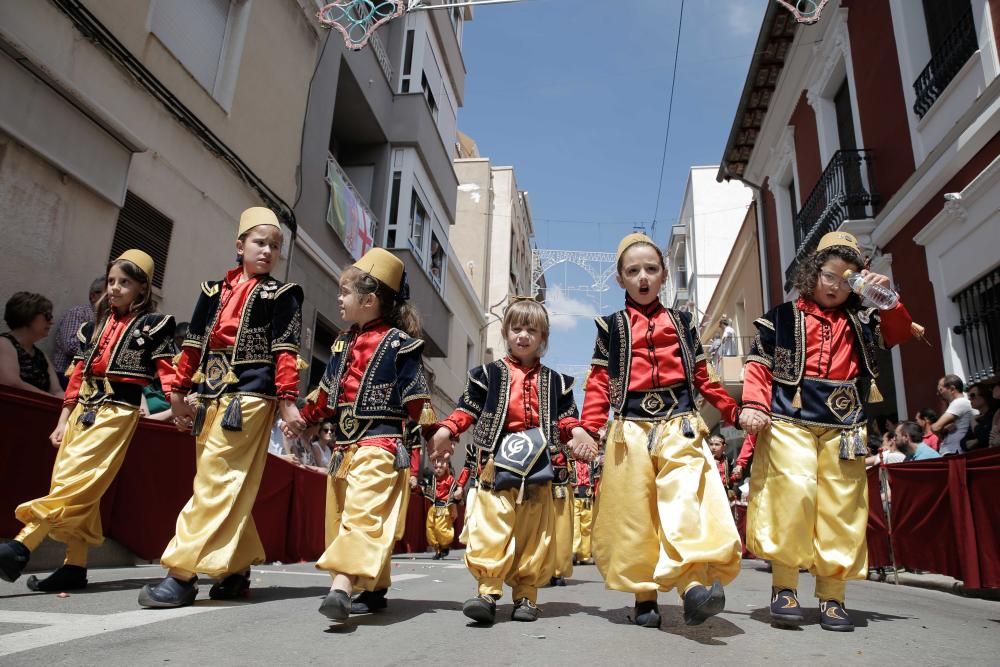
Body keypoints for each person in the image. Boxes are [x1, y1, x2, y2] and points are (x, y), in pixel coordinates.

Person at [739, 231, 916, 632]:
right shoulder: (779, 318)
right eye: (830, 276)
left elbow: (900, 333)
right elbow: (758, 364)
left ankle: (833, 597)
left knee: (841, 507)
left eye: (848, 278)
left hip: (846, 424)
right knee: (793, 495)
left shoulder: (864, 319)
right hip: (788, 419)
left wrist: (888, 298)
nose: (836, 286)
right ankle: (784, 587)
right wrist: (752, 404)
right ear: (813, 272)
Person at [138, 207, 306, 609]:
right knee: (221, 480)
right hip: (209, 393)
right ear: (240, 245)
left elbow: (285, 349)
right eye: (259, 242)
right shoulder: (212, 291)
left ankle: (181, 573)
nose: (268, 251)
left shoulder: (282, 295)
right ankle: (236, 567)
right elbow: (193, 342)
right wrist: (178, 390)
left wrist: (287, 402)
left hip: (250, 395)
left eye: (275, 246)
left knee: (216, 479)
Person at [579, 232, 743, 629]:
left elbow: (705, 377)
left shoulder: (684, 322)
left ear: (664, 274)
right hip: (629, 429)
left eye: (651, 269)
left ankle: (690, 589)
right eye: (632, 271)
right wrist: (586, 428)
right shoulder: (611, 326)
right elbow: (599, 382)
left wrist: (736, 412)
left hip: (680, 423)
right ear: (620, 279)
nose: (643, 277)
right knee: (637, 514)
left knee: (684, 501)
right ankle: (645, 596)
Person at [0, 251, 175, 591]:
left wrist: (179, 403)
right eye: (111, 281)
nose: (114, 288)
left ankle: (22, 545)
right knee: (74, 483)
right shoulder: (92, 327)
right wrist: (63, 417)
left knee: (77, 483)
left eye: (124, 282)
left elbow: (167, 372)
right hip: (83, 411)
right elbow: (78, 376)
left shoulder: (153, 326)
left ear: (142, 288)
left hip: (117, 413)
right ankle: (75, 566)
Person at [428, 298, 592, 625]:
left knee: (534, 531)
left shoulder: (560, 383)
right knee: (492, 525)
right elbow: (467, 409)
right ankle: (488, 592)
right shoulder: (486, 375)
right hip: (496, 461)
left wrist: (578, 433)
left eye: (531, 330)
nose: (523, 335)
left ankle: (526, 596)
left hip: (540, 465)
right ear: (506, 332)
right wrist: (447, 428)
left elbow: (567, 418)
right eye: (516, 328)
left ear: (543, 337)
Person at [296, 247, 435, 621]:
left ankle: (341, 586)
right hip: (344, 448)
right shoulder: (342, 342)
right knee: (343, 516)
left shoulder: (401, 345)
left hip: (381, 443)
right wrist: (303, 417)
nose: (339, 299)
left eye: (345, 292)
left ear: (369, 300)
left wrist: (436, 433)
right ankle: (374, 589)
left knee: (361, 515)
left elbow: (417, 397)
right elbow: (327, 390)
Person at [0, 292, 63, 397]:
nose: (51, 322)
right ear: (28, 315)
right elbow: (11, 383)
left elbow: (57, 391)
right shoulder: (3, 343)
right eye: (47, 316)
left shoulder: (41, 355)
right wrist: (50, 398)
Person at [51, 277, 106, 386]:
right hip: (66, 376)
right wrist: (101, 351)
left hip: (88, 379)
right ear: (93, 296)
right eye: (107, 294)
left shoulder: (107, 318)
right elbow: (70, 346)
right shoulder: (79, 313)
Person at [421, 459, 465, 560]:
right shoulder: (432, 478)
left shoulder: (450, 480)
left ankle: (444, 547)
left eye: (441, 467)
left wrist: (458, 503)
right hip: (433, 507)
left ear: (446, 468)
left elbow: (455, 494)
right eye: (436, 468)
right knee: (430, 529)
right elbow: (425, 485)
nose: (438, 470)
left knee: (440, 529)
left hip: (443, 507)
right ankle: (437, 549)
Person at [931, 375, 975, 455]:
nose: (938, 394)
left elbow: (935, 427)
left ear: (952, 389)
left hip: (955, 451)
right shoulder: (956, 404)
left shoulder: (959, 403)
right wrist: (945, 429)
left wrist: (941, 428)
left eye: (940, 390)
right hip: (953, 450)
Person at [549, 449, 575, 587]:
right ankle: (532, 570)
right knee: (532, 529)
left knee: (561, 528)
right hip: (530, 474)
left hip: (558, 481)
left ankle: (557, 571)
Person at [572, 457, 597, 566]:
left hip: (587, 496)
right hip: (574, 496)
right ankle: (573, 552)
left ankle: (585, 555)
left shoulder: (592, 462)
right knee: (575, 525)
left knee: (587, 526)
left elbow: (596, 480)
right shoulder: (570, 461)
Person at [963, 383, 996, 451]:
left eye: (972, 395)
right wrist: (978, 440)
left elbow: (985, 438)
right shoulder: (977, 418)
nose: (969, 399)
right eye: (969, 396)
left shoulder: (994, 415)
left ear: (984, 396)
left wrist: (972, 421)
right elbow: (963, 443)